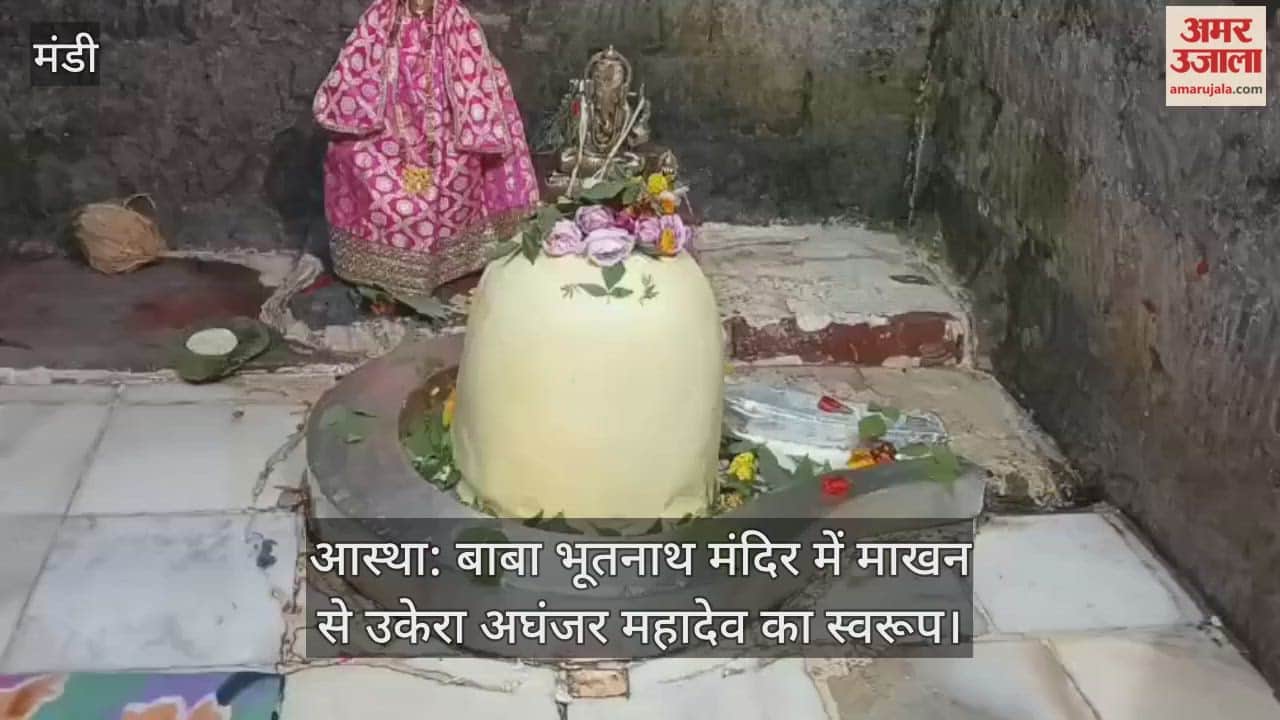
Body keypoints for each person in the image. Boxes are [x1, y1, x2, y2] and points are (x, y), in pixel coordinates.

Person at [313, 0, 539, 297]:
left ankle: (450, 259)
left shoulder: (455, 20)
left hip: (445, 123)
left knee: (462, 164)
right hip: (389, 123)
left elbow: (473, 77)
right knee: (351, 155)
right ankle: (374, 262)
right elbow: (357, 66)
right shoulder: (383, 15)